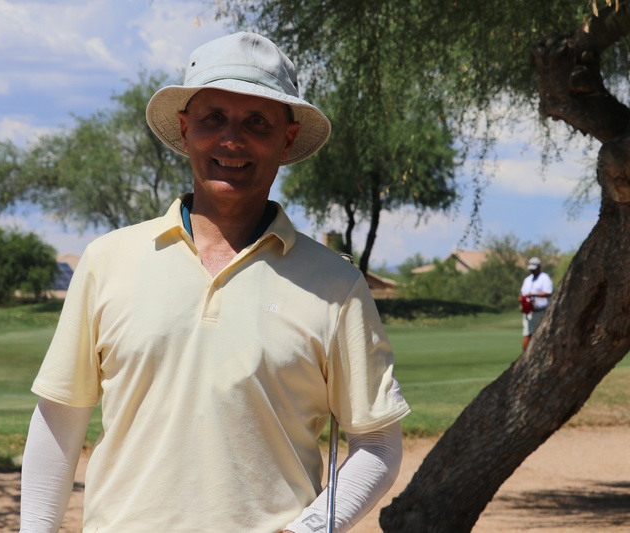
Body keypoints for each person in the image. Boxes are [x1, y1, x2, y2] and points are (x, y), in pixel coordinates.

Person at [20, 31, 410, 533]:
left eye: (257, 121)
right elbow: (60, 419)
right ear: (186, 131)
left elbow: (378, 443)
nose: (232, 139)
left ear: (287, 139)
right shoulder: (107, 260)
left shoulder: (336, 285)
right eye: (213, 119)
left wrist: (308, 530)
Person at [519, 256, 553, 351]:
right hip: (529, 312)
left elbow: (548, 292)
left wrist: (533, 294)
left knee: (543, 335)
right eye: (531, 269)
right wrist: (522, 301)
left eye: (534, 269)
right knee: (527, 334)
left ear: (539, 267)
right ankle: (525, 356)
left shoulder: (544, 278)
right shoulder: (527, 280)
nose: (532, 271)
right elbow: (522, 294)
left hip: (541, 311)